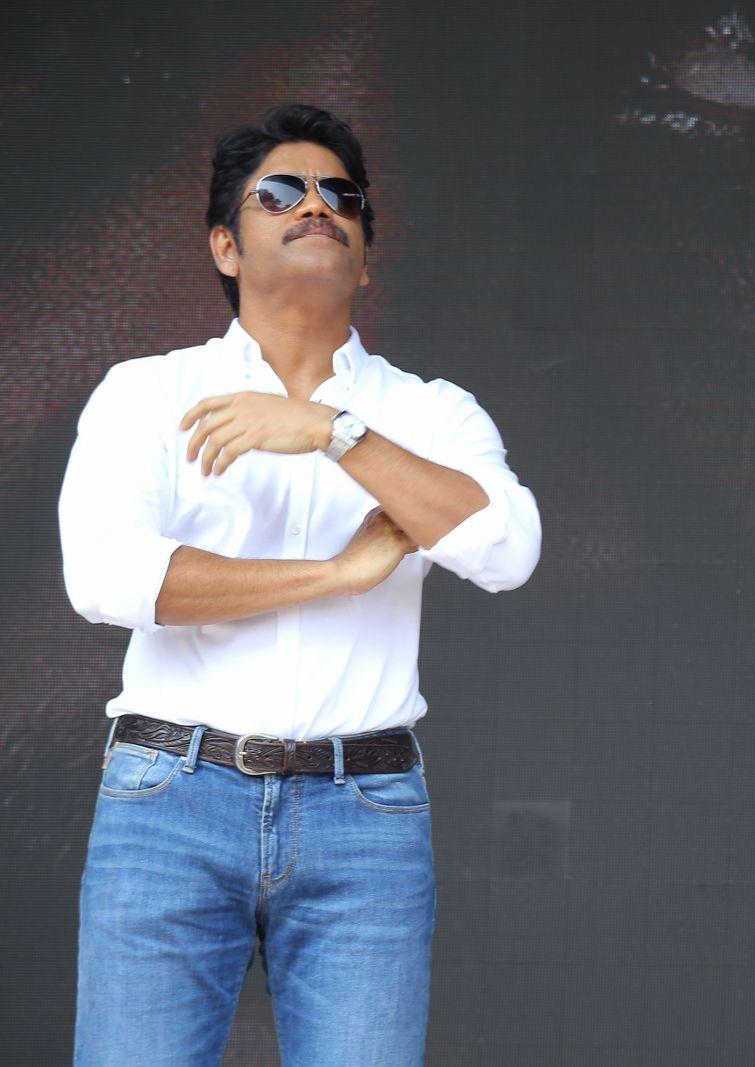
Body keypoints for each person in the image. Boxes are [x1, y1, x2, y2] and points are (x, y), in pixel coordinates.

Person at [59, 103, 540, 1066]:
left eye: (341, 195)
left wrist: (332, 430)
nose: (317, 205)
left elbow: (506, 548)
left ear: (364, 262)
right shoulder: (146, 391)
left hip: (365, 814)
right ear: (225, 246)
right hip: (170, 799)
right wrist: (334, 573)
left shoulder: (428, 413)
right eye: (281, 192)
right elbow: (108, 575)